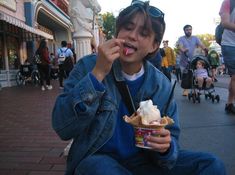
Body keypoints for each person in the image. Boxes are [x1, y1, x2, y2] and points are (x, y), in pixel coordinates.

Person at [52, 1, 226, 175]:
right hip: (100, 160)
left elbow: (171, 144)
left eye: (143, 33)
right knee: (100, 168)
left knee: (211, 165)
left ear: (154, 45)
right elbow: (63, 127)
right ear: (117, 32)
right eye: (128, 28)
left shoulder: (160, 85)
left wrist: (166, 148)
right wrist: (97, 74)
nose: (132, 36)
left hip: (146, 160)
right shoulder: (88, 66)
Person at [178, 24, 207, 96]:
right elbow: (180, 46)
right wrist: (184, 50)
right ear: (184, 31)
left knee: (195, 74)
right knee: (186, 76)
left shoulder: (195, 38)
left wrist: (205, 48)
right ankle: (185, 90)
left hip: (193, 60)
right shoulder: (181, 38)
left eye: (190, 29)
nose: (189, 31)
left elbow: (201, 44)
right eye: (187, 30)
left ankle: (195, 89)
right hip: (184, 60)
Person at [219, 0, 235, 114]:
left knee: (234, 78)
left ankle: (229, 103)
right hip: (230, 45)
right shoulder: (229, 2)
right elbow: (225, 23)